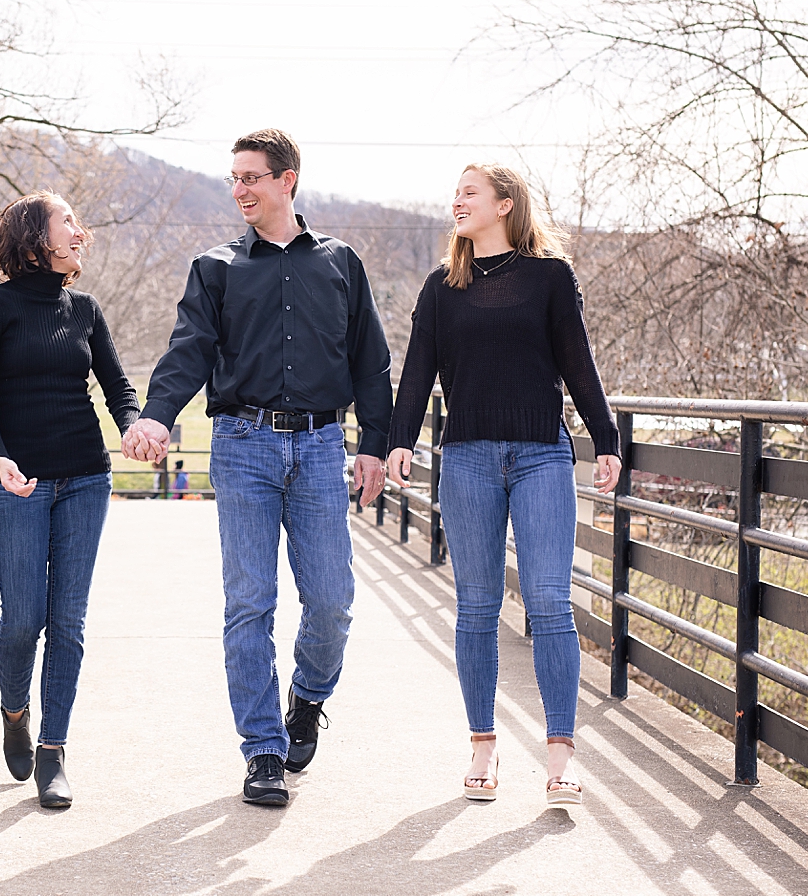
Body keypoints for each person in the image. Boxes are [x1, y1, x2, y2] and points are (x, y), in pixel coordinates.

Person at [124, 128, 391, 807]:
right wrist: (157, 413)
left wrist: (373, 444)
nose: (240, 188)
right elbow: (189, 347)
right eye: (233, 177)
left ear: (287, 179)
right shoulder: (215, 266)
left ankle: (308, 696)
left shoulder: (340, 261)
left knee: (331, 599)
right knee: (250, 601)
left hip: (322, 445)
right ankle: (263, 749)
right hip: (242, 444)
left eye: (252, 176)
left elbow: (370, 360)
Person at [385, 165, 621, 807]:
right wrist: (399, 439)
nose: (456, 202)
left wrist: (607, 438)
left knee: (548, 602)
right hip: (465, 457)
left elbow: (578, 359)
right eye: (454, 192)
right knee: (478, 606)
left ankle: (561, 757)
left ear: (505, 204)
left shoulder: (551, 277)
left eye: (469, 193)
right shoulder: (442, 287)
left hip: (543, 454)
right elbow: (416, 373)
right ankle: (483, 744)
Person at [0, 191, 139, 810]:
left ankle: (53, 750)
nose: (79, 231)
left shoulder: (84, 308)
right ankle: (16, 712)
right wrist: (1, 454)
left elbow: (116, 385)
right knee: (23, 617)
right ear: (36, 237)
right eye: (68, 221)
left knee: (68, 620)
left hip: (85, 477)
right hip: (14, 482)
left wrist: (137, 426)